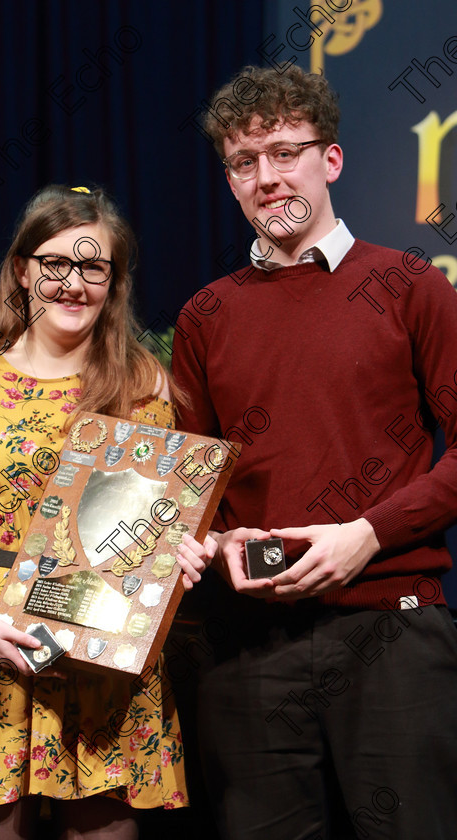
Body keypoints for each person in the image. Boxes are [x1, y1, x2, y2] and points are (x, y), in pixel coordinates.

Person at [172, 65, 457, 840]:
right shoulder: (206, 315)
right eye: (243, 161)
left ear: (330, 161)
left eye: (284, 152)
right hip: (246, 646)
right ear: (230, 180)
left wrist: (368, 534)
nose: (266, 177)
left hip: (390, 627)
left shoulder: (409, 285)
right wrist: (218, 537)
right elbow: (185, 486)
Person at [0, 184, 195, 840]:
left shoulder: (143, 382)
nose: (73, 283)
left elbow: (160, 529)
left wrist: (180, 554)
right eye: (56, 263)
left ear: (112, 281)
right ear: (23, 270)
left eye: (94, 268)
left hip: (103, 648)